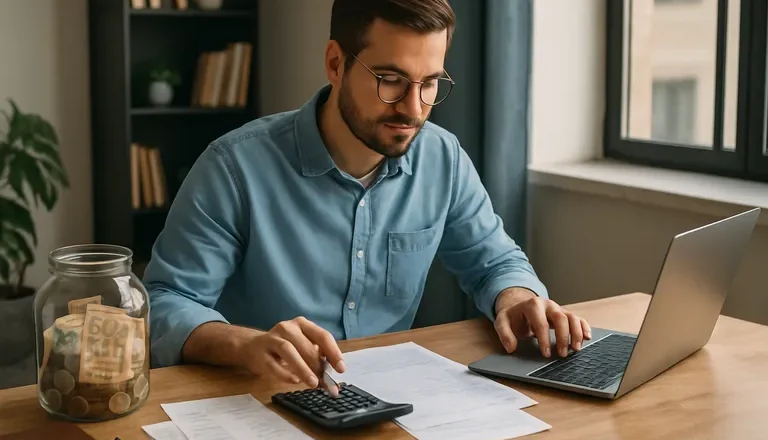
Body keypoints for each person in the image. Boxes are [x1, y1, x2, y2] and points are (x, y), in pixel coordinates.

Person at [143, 0, 591, 396]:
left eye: (430, 83)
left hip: (387, 402)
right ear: (336, 64)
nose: (414, 109)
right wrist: (246, 344)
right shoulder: (234, 167)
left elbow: (494, 261)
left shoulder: (442, 158)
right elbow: (164, 301)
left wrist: (515, 299)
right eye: (391, 80)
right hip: (259, 399)